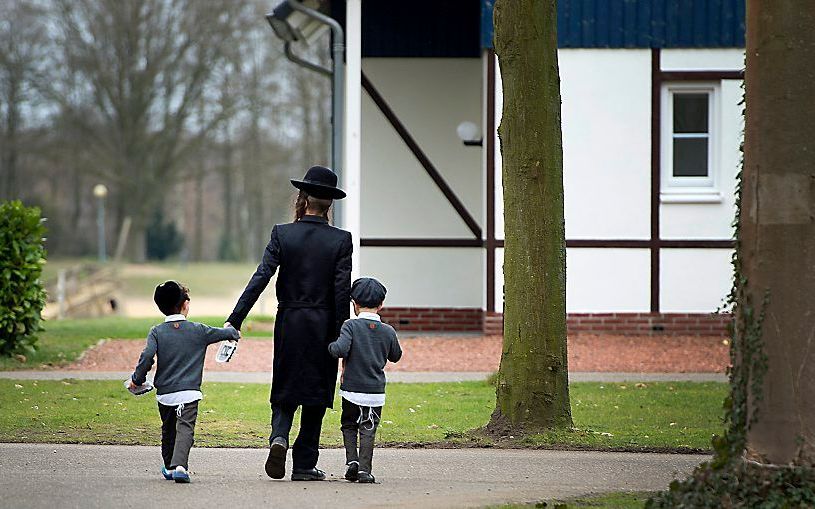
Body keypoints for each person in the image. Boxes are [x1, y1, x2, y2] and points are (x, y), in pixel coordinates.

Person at [226, 165, 352, 481]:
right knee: (316, 392)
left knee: (285, 384)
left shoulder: (283, 233)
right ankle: (305, 464)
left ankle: (279, 437)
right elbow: (341, 292)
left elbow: (261, 278)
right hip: (324, 324)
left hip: (290, 321)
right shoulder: (341, 240)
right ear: (330, 204)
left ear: (303, 197)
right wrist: (343, 337)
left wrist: (235, 319)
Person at [129, 280, 240, 483]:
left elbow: (147, 357)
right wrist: (233, 331)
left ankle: (170, 466)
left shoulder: (156, 332)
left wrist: (137, 380)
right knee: (185, 428)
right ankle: (180, 465)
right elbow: (227, 333)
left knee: (168, 429)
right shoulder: (199, 330)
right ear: (185, 304)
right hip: (189, 392)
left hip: (165, 394)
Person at [328, 277, 402, 483]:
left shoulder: (350, 326)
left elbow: (340, 349)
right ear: (381, 305)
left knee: (349, 425)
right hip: (375, 391)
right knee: (368, 428)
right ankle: (365, 470)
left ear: (354, 304)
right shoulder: (388, 331)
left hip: (351, 389)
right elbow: (396, 355)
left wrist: (329, 346)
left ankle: (352, 461)